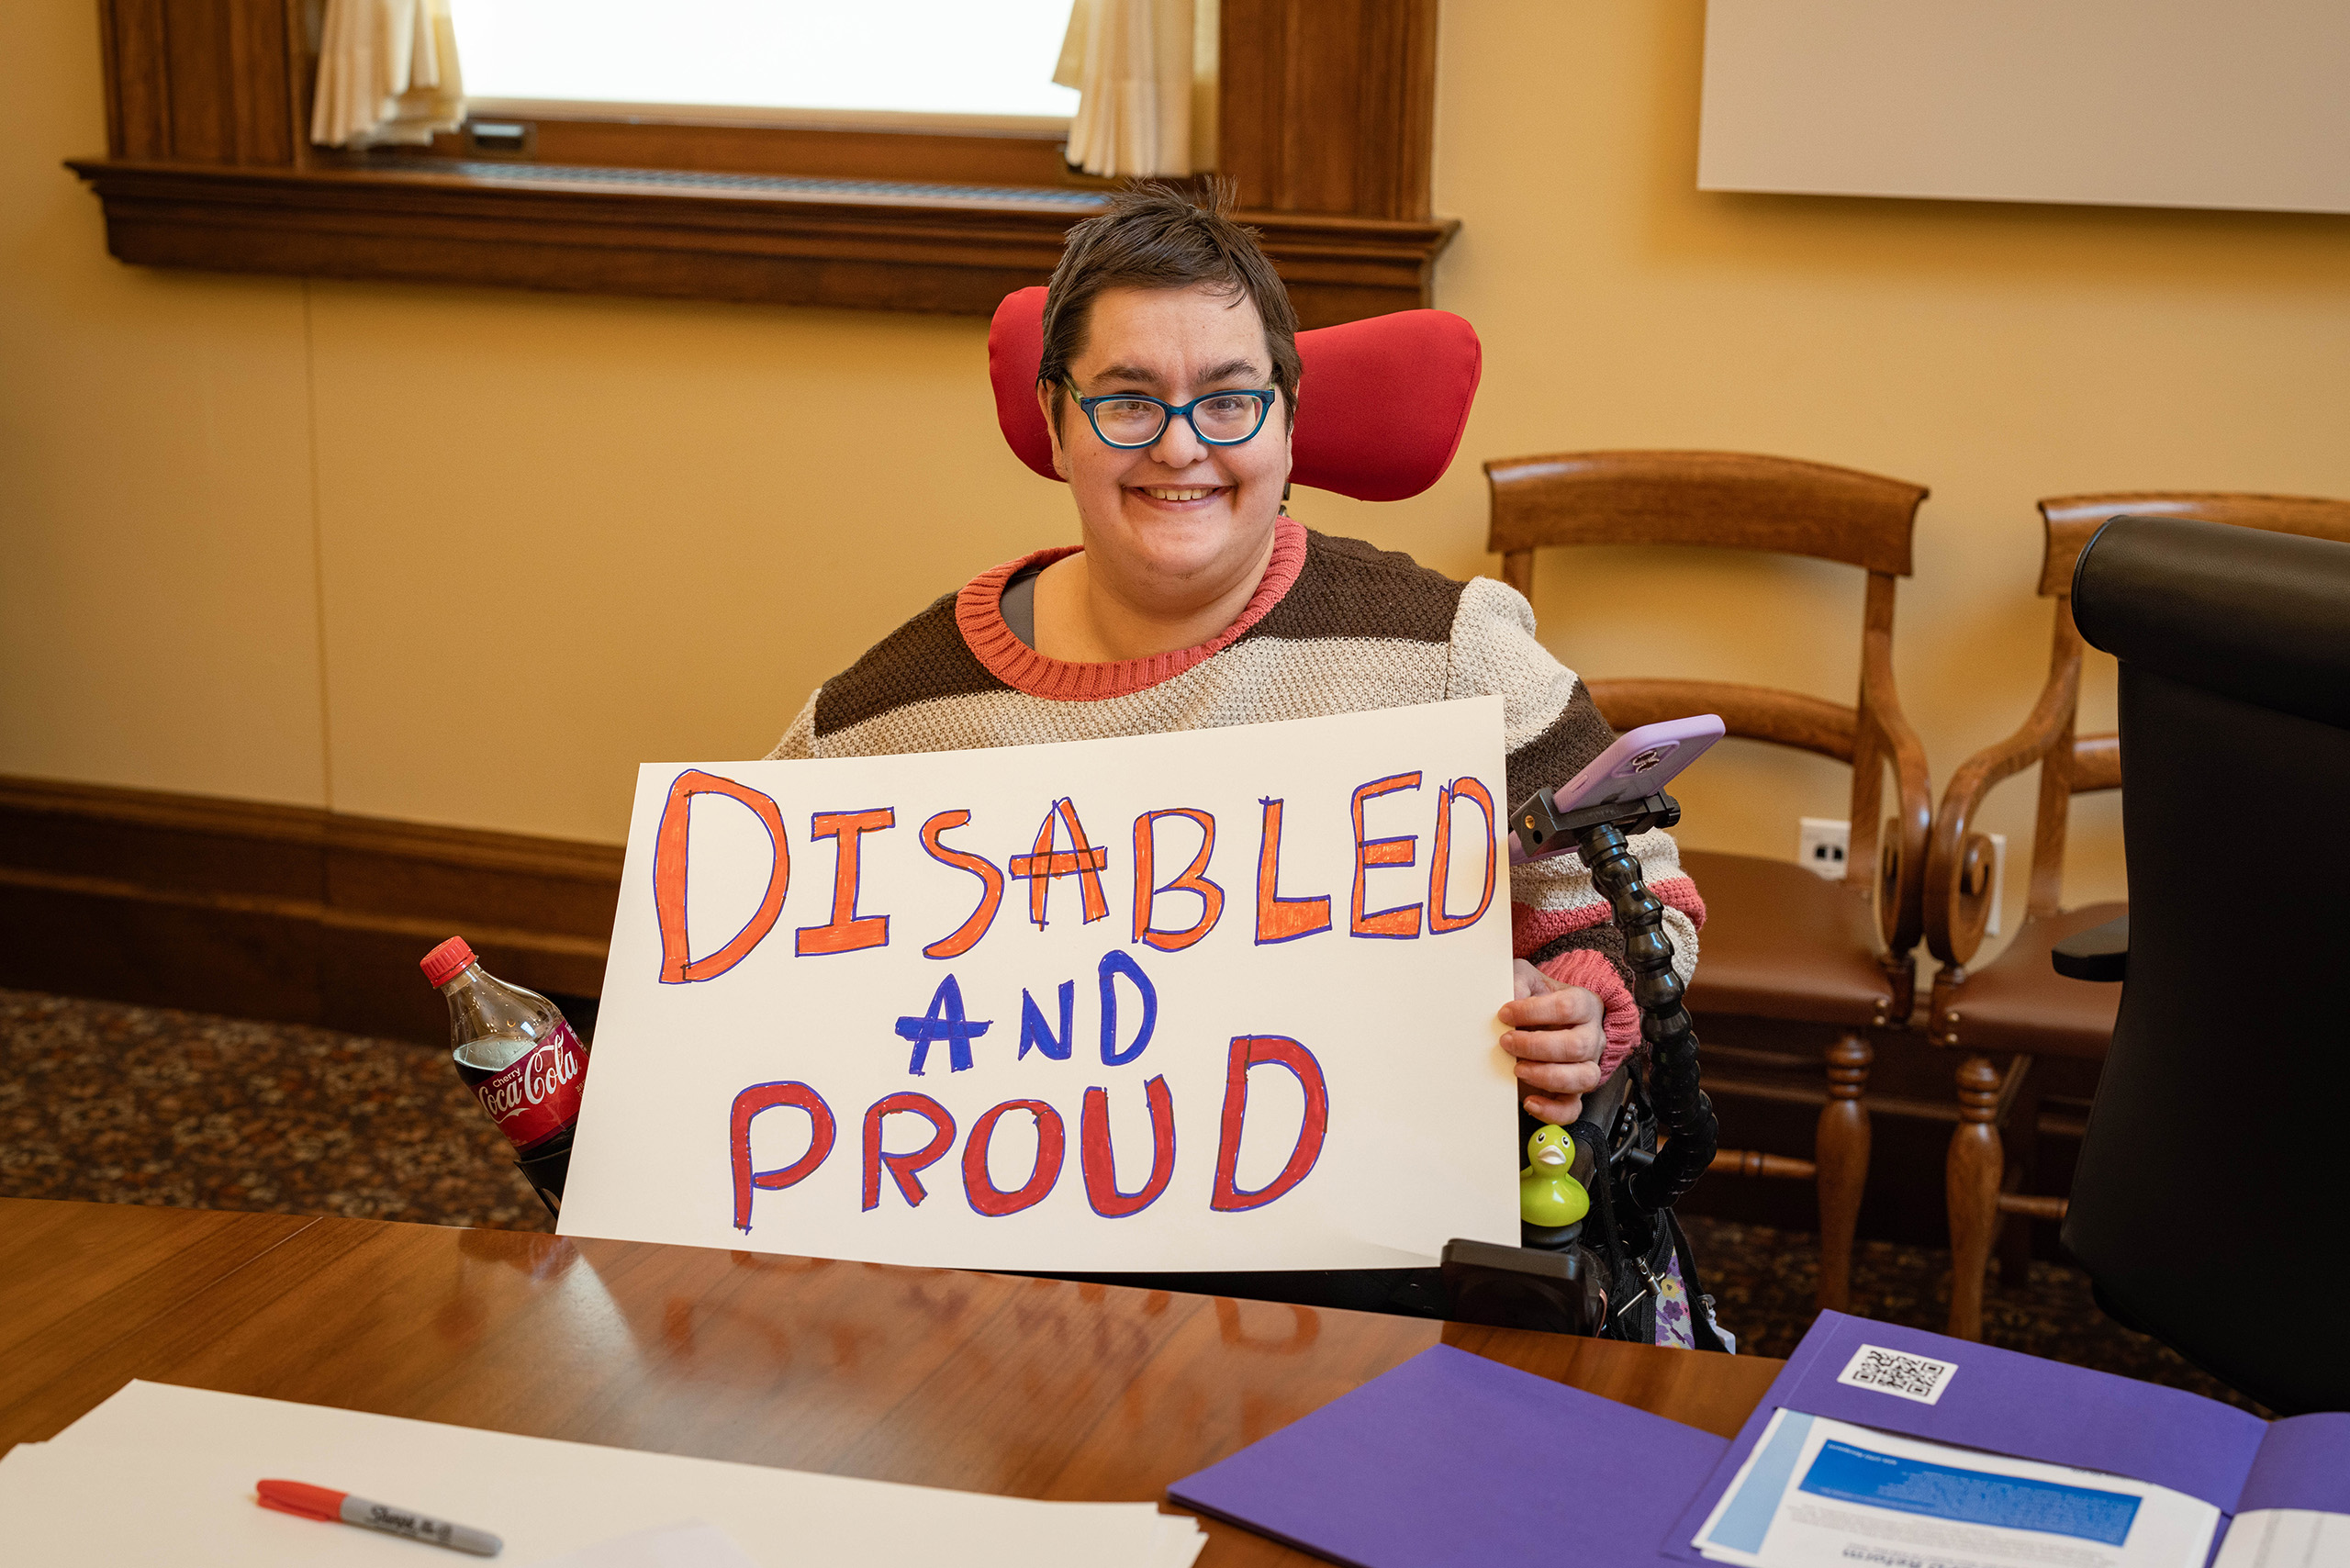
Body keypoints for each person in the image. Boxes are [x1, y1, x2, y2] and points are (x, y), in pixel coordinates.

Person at [768, 183, 1702, 1138]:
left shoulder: (1447, 654)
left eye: (1228, 400)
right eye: (1127, 402)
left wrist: (1582, 1003)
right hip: (1003, 1230)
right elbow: (751, 959)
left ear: (1287, 419)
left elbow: (1640, 893)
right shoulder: (886, 720)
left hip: (1378, 1235)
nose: (1180, 446)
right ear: (1055, 420)